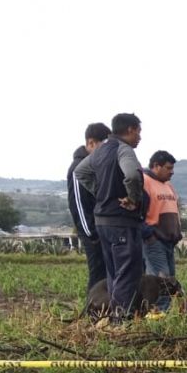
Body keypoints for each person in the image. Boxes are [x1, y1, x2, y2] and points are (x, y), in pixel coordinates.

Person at [74, 112, 145, 323]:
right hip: (121, 221)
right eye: (139, 132)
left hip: (102, 222)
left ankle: (112, 321)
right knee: (127, 272)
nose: (140, 137)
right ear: (130, 130)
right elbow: (132, 175)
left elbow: (80, 171)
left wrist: (100, 191)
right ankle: (120, 323)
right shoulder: (124, 150)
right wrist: (133, 198)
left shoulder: (100, 150)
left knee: (114, 273)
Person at [66, 122, 111, 298]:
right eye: (103, 146)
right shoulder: (79, 168)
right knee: (98, 273)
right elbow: (78, 205)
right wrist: (91, 234)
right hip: (92, 232)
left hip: (102, 229)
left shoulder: (96, 166)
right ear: (91, 143)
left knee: (108, 274)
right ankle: (92, 313)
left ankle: (105, 312)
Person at [141, 151, 182, 310]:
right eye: (168, 168)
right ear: (156, 166)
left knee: (170, 279)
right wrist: (149, 235)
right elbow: (137, 212)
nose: (171, 171)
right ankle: (158, 315)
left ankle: (163, 314)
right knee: (161, 280)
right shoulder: (144, 181)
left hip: (169, 241)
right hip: (154, 240)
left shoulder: (168, 185)